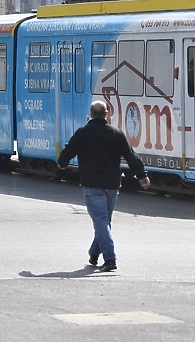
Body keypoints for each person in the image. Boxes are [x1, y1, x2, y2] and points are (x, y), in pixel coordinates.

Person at [57, 100, 150, 272]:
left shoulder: (83, 132)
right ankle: (94, 253)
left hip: (92, 184)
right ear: (107, 114)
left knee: (101, 221)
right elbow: (131, 156)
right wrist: (142, 175)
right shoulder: (116, 133)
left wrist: (62, 163)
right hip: (112, 185)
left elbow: (68, 150)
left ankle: (110, 258)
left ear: (91, 115)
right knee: (104, 221)